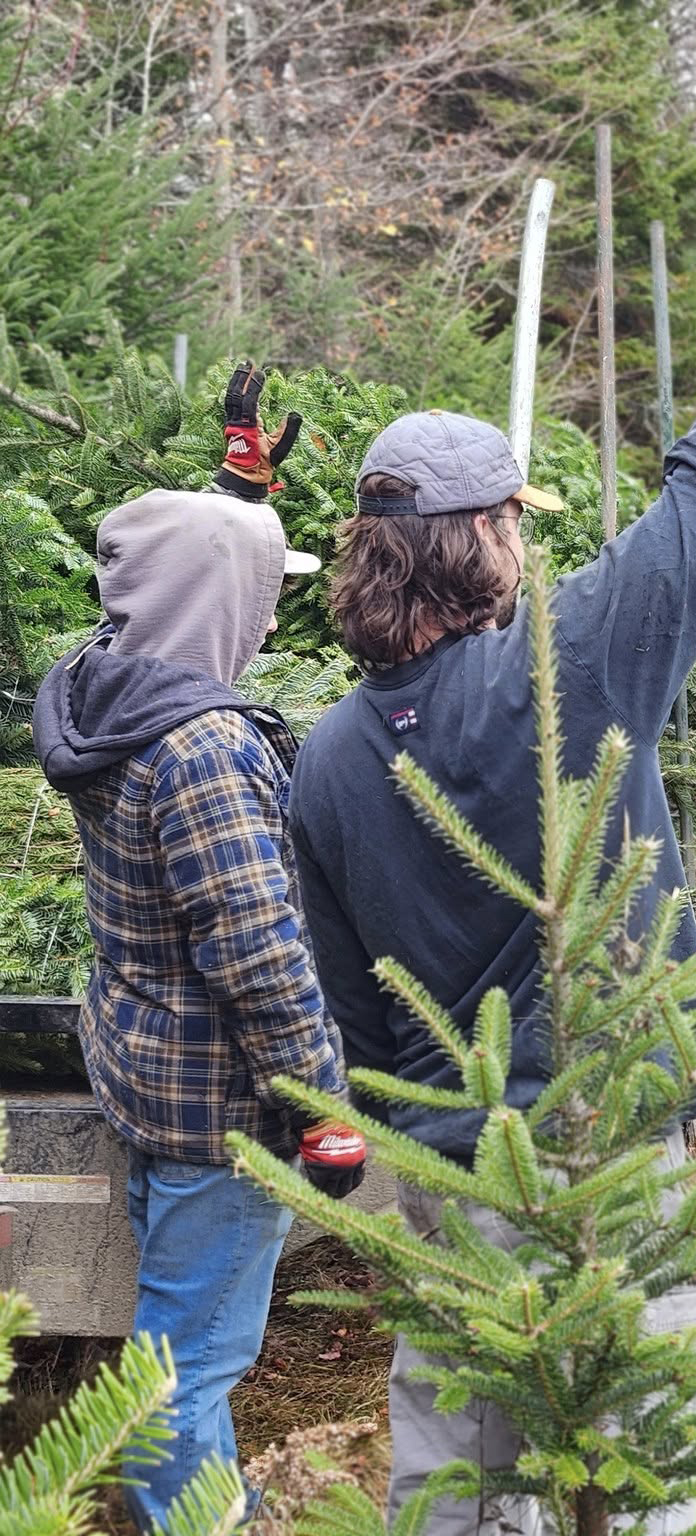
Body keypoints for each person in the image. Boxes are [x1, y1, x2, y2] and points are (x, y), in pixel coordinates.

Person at [288, 177, 696, 1535]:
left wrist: (405, 1140)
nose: (525, 542)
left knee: (454, 1466)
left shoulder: (324, 756)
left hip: (450, 1170)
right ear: (482, 539)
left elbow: (347, 1005)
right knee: (644, 1459)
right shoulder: (562, 671)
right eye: (515, 521)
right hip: (606, 1152)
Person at [31, 365, 368, 1529]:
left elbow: (167, 578)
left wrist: (238, 505)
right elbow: (260, 956)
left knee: (178, 1333)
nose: (270, 620)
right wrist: (322, 1111)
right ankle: (191, 1515)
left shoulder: (104, 690)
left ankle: (214, 1502)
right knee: (189, 1363)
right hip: (224, 1112)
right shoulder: (206, 748)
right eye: (262, 597)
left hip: (145, 1070)